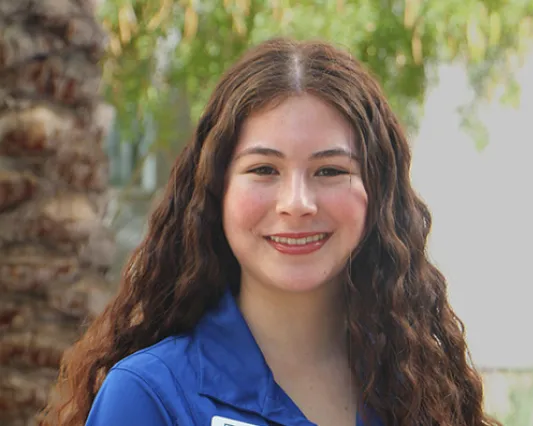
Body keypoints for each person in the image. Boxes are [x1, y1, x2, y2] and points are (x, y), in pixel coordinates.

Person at [42, 38, 501, 426]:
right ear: (216, 190)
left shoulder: (420, 389)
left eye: (329, 170)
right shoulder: (151, 396)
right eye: (264, 168)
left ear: (377, 194)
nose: (297, 203)